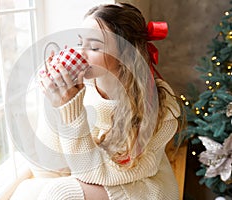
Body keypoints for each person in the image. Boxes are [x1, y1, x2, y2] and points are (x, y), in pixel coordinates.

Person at [11, 2, 185, 200]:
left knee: (60, 193)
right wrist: (56, 103)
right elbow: (50, 165)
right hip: (94, 178)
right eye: (79, 42)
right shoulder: (83, 90)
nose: (80, 53)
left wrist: (71, 109)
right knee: (25, 191)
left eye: (94, 46)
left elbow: (98, 173)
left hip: (144, 187)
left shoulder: (158, 102)